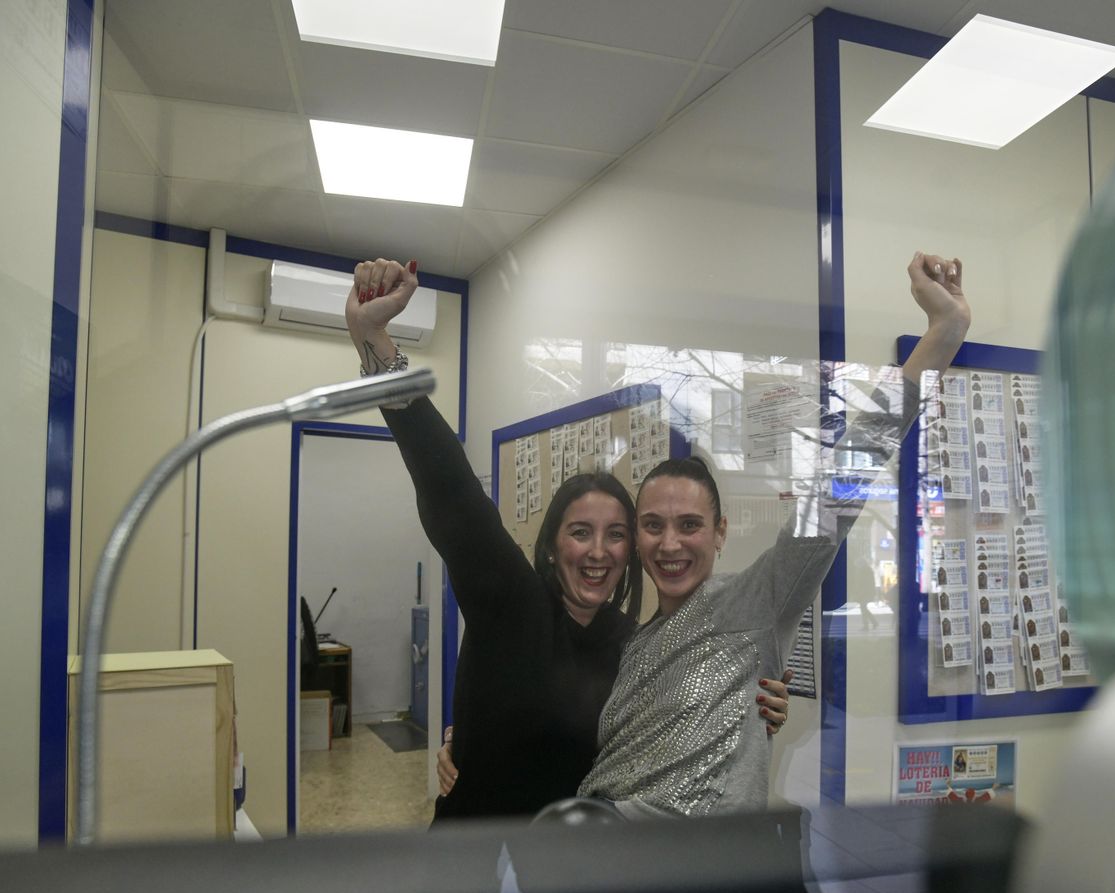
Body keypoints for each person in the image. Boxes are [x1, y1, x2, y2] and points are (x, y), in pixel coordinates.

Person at [341, 259, 789, 817]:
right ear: (553, 545)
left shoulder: (633, 645)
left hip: (573, 879)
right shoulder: (511, 602)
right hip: (473, 874)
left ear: (631, 552)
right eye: (581, 533)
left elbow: (697, 701)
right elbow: (449, 486)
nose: (599, 551)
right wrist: (374, 340)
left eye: (617, 535)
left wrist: (760, 702)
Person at [578, 252, 969, 820]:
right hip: (604, 862)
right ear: (636, 537)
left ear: (719, 533)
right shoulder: (633, 645)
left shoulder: (754, 601)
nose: (669, 545)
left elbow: (838, 489)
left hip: (698, 877)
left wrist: (943, 333)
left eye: (689, 526)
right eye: (653, 526)